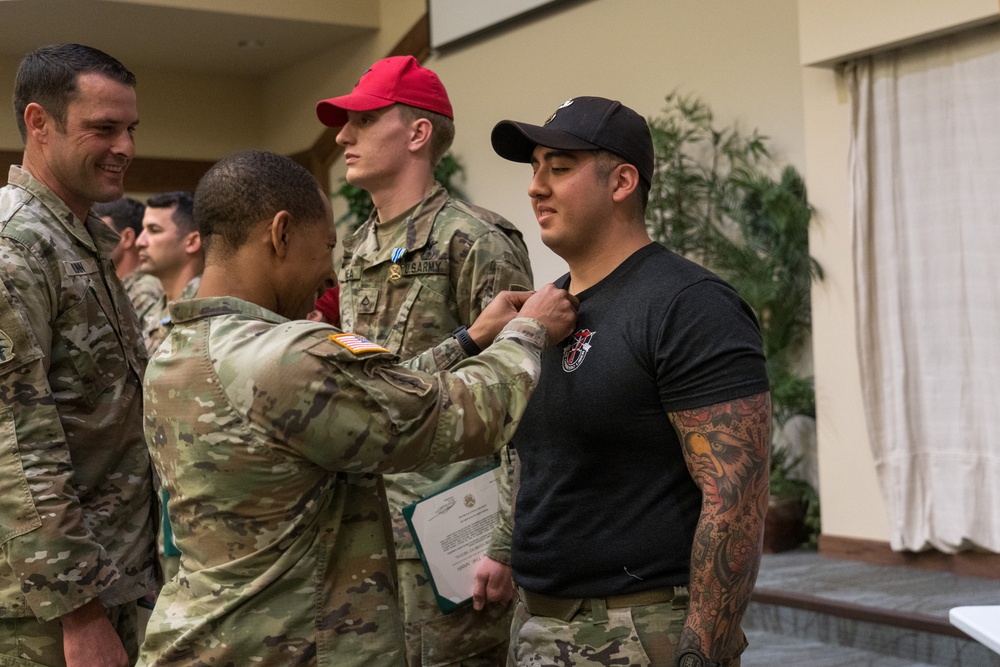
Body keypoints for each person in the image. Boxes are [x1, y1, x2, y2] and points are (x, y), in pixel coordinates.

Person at [137, 149, 577, 666]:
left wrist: (468, 339)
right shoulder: (287, 355)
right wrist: (529, 333)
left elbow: (358, 399)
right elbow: (458, 414)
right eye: (325, 245)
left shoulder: (177, 350)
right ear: (280, 233)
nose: (330, 272)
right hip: (292, 645)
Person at [489, 97, 772, 667]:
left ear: (621, 181)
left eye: (559, 168)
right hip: (537, 622)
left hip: (642, 630)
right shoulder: (545, 312)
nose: (535, 187)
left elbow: (734, 500)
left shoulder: (689, 305)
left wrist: (701, 654)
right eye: (535, 168)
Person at [316, 55, 533, 666]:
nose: (342, 137)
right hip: (366, 528)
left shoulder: (476, 240)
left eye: (362, 120)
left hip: (453, 526)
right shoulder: (355, 249)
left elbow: (523, 398)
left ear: (417, 133)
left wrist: (507, 541)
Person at [0, 43, 159, 667]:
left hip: (115, 576)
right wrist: (80, 611)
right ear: (40, 124)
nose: (124, 146)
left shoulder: (81, 239)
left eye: (130, 129)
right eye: (103, 128)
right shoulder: (17, 250)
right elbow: (16, 440)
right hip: (50, 612)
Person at [135, 191, 202, 355]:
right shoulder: (153, 309)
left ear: (192, 242)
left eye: (154, 230)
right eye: (143, 230)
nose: (140, 242)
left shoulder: (205, 310)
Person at [94, 196, 165, 327]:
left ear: (126, 238)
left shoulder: (145, 290)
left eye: (98, 234)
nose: (90, 241)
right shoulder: (116, 287)